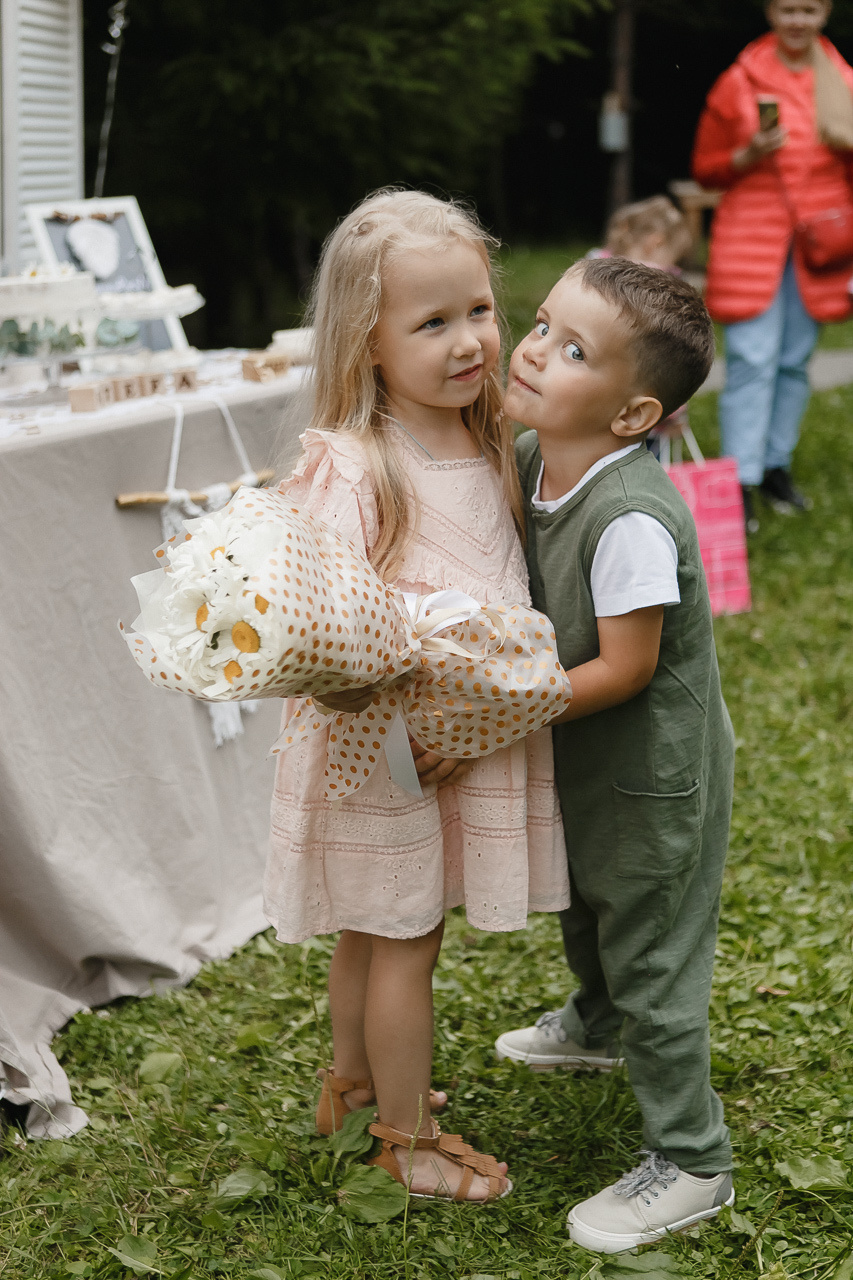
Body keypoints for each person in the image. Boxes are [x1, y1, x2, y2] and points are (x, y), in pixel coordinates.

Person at [265, 189, 569, 1203]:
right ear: (367, 342)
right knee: (404, 938)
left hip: (443, 738)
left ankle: (348, 1093)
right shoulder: (356, 464)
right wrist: (411, 711)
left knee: (375, 922)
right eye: (430, 323)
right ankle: (405, 1145)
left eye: (478, 310)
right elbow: (324, 622)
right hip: (392, 749)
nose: (468, 340)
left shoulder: (481, 438)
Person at [494, 257, 735, 1254]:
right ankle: (595, 1022)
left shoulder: (630, 512)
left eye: (573, 346)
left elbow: (628, 666)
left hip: (651, 767)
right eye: (543, 322)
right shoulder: (531, 453)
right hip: (592, 754)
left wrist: (504, 701)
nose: (535, 347)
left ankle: (692, 1158)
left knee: (651, 948)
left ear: (635, 414)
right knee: (587, 896)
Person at [692, 0, 853, 531]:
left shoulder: (843, 79)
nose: (798, 21)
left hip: (820, 240)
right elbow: (706, 169)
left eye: (808, 9)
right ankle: (740, 480)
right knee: (752, 360)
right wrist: (749, 154)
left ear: (825, 13)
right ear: (770, 11)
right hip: (752, 236)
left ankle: (776, 469)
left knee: (793, 360)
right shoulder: (738, 80)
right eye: (788, 9)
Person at [589, 195, 695, 449]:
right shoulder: (658, 292)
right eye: (673, 257)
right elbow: (667, 358)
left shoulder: (593, 276)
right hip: (641, 416)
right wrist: (674, 411)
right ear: (656, 242)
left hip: (593, 408)